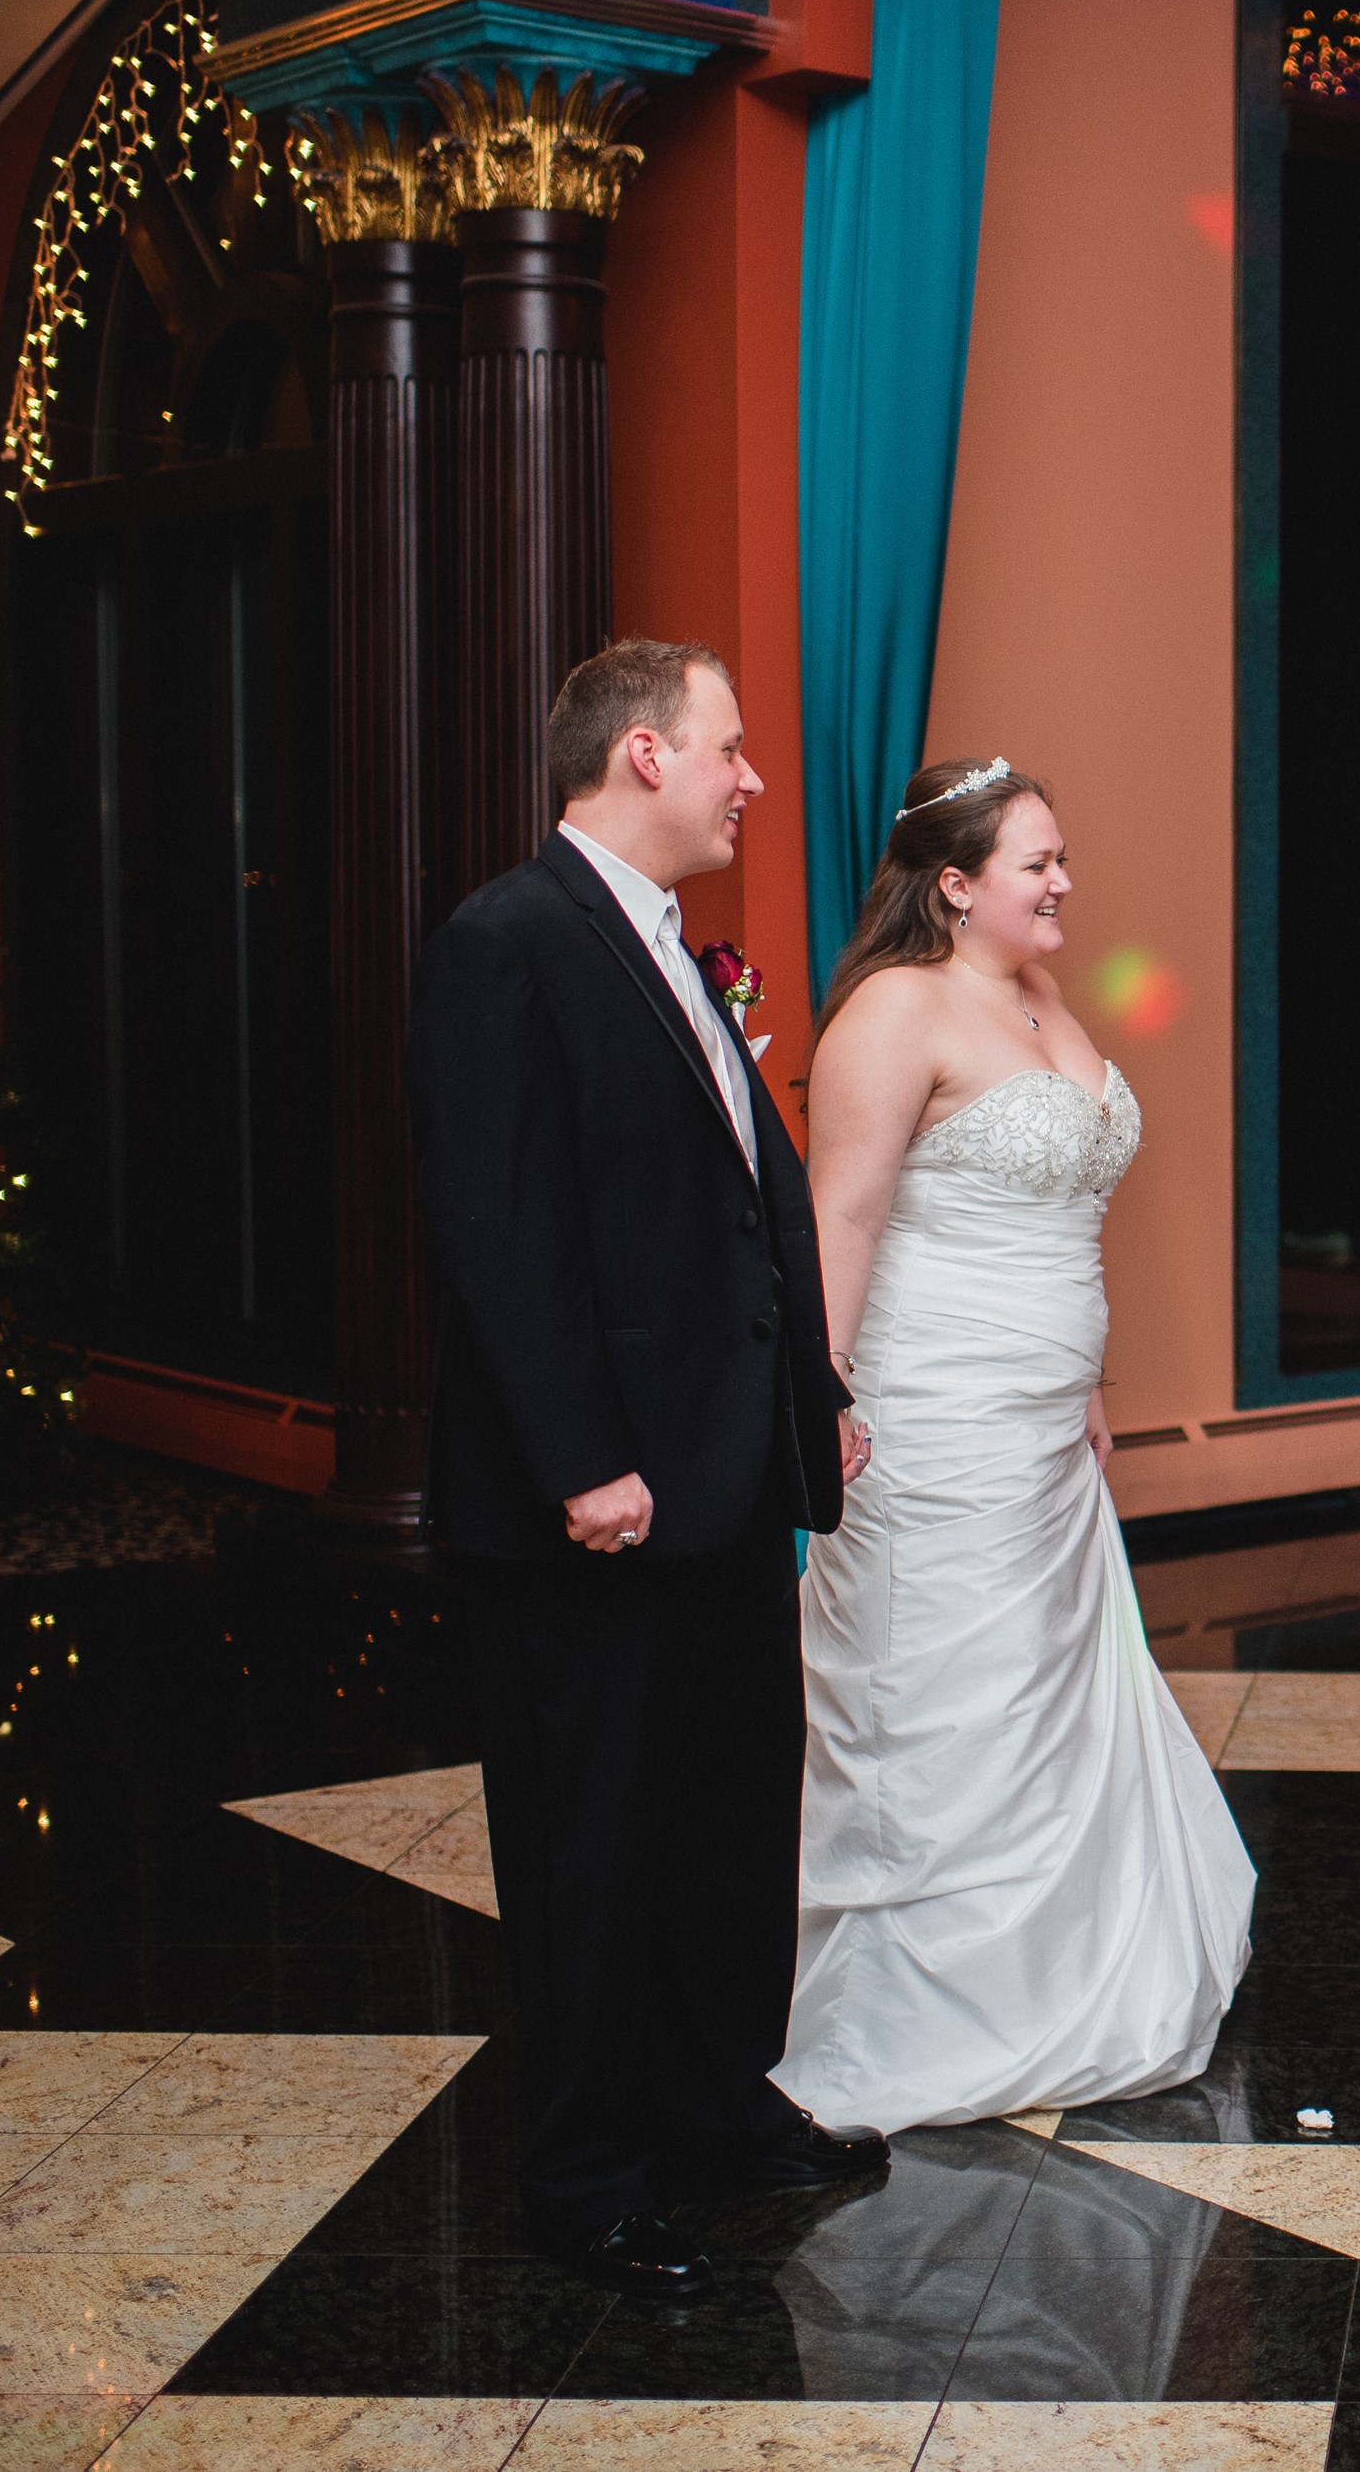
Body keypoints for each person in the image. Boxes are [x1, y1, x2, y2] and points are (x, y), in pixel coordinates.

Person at [408, 639, 888, 2297]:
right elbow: (500, 1225)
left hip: (729, 1479)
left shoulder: (677, 947)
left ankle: (716, 2104)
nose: (752, 776)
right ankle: (587, 2174)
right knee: (593, 1846)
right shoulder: (506, 942)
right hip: (601, 1503)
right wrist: (584, 1459)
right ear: (640, 755)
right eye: (729, 745)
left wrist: (812, 1392)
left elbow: (747, 1204)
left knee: (727, 1821)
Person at [772, 757, 1253, 2131]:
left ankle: (1063, 1978)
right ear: (954, 883)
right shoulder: (893, 1009)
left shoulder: (1040, 992)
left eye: (1060, 858)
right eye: (1037, 863)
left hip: (1044, 1428)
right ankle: (925, 2005)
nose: (1063, 883)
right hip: (931, 1413)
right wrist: (826, 1389)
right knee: (948, 1692)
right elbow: (843, 1215)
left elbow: (1063, 1213)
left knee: (1046, 1686)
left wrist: (1086, 1375)